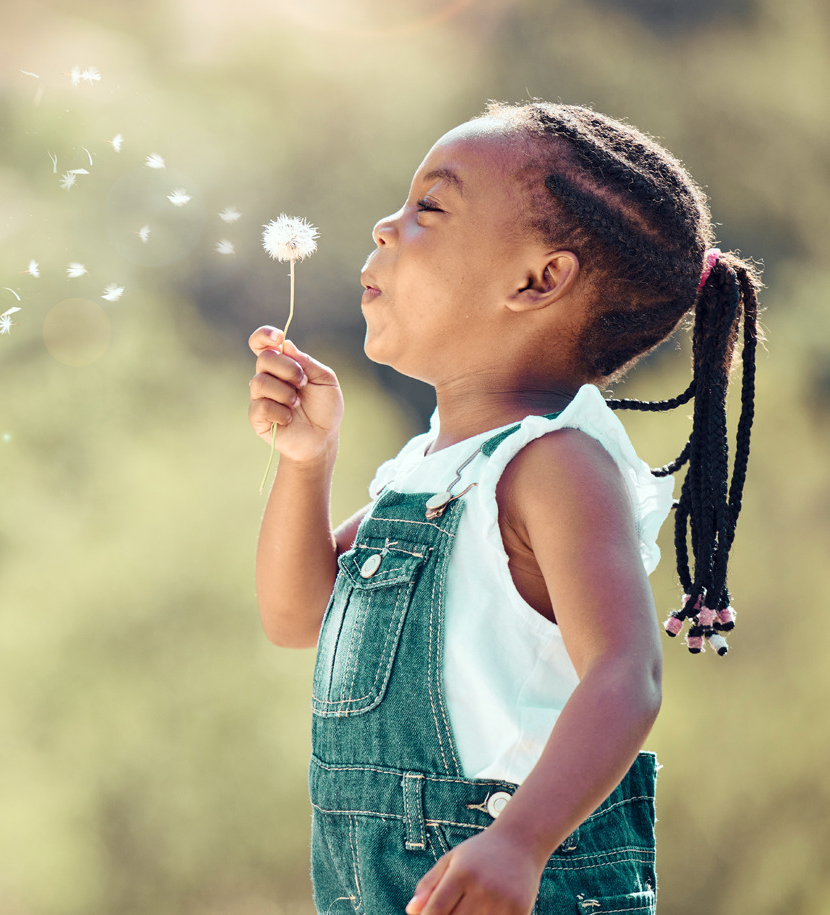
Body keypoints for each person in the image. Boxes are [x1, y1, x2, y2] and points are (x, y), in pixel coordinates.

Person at [247, 100, 761, 915]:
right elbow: (297, 614)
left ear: (538, 279)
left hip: (521, 882)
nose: (385, 226)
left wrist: (520, 839)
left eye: (429, 208)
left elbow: (626, 674)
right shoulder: (426, 470)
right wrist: (308, 462)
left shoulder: (554, 465)